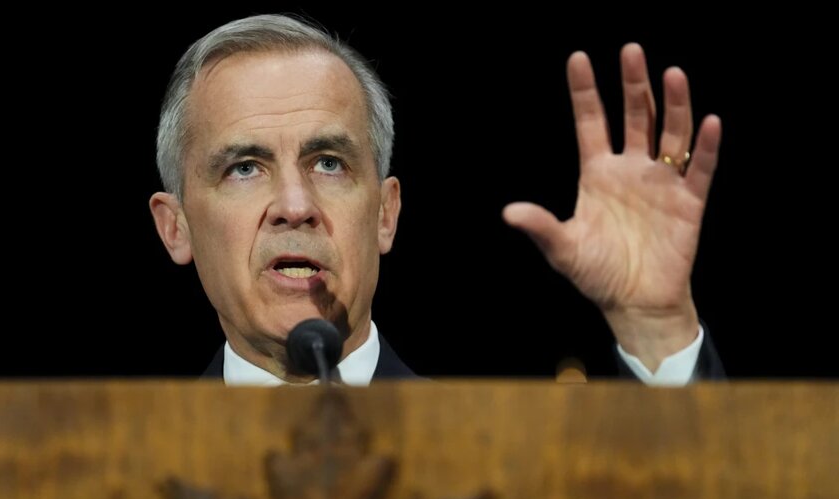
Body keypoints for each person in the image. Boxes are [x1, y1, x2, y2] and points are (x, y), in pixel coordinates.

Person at [149, 14, 724, 386]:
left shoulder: (504, 451)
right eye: (245, 169)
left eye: (329, 163)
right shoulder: (119, 473)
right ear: (176, 227)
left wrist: (656, 331)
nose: (295, 206)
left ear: (385, 213)